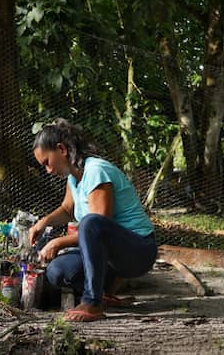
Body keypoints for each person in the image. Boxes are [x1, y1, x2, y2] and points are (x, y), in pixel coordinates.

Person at [29, 118, 157, 322]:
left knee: (90, 222)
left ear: (61, 149)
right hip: (111, 254)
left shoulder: (96, 171)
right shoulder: (73, 176)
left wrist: (58, 242)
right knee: (57, 271)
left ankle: (92, 302)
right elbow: (67, 209)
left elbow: (97, 225)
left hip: (138, 249)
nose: (48, 170)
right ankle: (104, 291)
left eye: (47, 162)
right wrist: (43, 222)